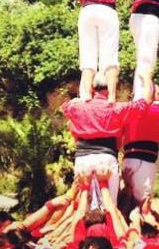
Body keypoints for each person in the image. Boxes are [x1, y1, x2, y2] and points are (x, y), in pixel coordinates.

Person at [66, 0, 152, 100]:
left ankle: (86, 96)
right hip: (107, 10)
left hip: (88, 9)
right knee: (110, 56)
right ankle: (112, 96)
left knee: (87, 55)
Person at [61, 70, 153, 204]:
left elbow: (65, 107)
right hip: (107, 159)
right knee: (109, 206)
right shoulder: (116, 108)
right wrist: (147, 78)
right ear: (111, 87)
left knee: (83, 207)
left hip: (82, 160)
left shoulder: (76, 106)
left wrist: (85, 90)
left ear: (92, 87)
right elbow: (145, 102)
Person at [121, 84, 159, 205]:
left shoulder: (130, 109)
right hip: (142, 161)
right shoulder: (152, 109)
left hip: (133, 159)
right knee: (142, 204)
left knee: (130, 201)